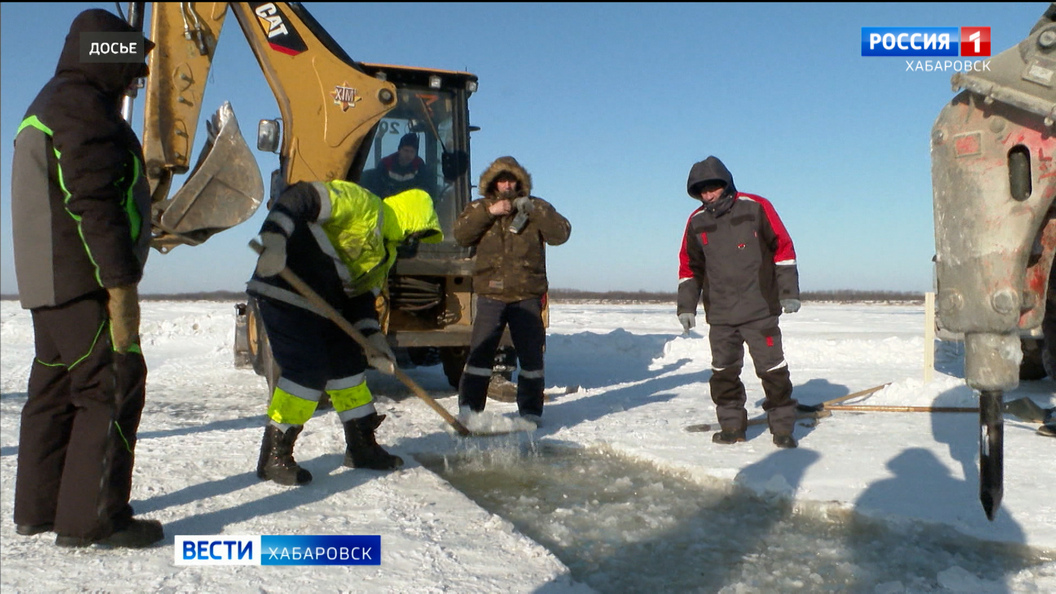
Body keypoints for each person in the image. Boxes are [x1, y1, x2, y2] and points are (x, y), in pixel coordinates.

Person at [9, 9, 164, 548]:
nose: (134, 82)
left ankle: (40, 509)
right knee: (111, 387)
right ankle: (94, 519)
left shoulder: (50, 103)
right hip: (83, 280)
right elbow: (93, 204)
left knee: (53, 392)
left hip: (48, 286)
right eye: (130, 70)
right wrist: (119, 286)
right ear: (106, 58)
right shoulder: (84, 110)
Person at [248, 180, 443, 485]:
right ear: (409, 219)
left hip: (328, 307)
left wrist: (373, 339)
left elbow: (361, 299)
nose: (413, 241)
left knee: (349, 369)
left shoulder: (385, 254)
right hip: (285, 288)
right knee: (306, 372)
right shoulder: (362, 203)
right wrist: (274, 238)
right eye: (416, 234)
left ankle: (361, 446)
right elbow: (301, 195)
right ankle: (274, 456)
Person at [676, 156, 802, 449]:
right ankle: (732, 427)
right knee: (723, 375)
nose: (708, 195)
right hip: (721, 315)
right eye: (702, 191)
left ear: (726, 184)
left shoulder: (756, 206)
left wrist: (789, 292)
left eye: (713, 188)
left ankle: (782, 428)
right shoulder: (696, 221)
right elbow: (690, 267)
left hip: (760, 310)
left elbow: (783, 248)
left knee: (773, 371)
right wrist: (686, 307)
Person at [453, 156, 572, 426]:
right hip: (491, 296)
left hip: (527, 296)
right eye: (502, 180)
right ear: (493, 182)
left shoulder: (536, 207)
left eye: (511, 180)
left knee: (531, 358)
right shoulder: (479, 207)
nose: (507, 185)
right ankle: (469, 411)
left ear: (520, 182)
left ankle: (530, 413)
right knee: (480, 355)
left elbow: (561, 234)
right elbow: (461, 235)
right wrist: (490, 212)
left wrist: (535, 211)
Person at [362, 132, 436, 199]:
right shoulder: (386, 164)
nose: (408, 155)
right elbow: (377, 188)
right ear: (399, 150)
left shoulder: (419, 165)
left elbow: (425, 188)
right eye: (406, 150)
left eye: (412, 152)